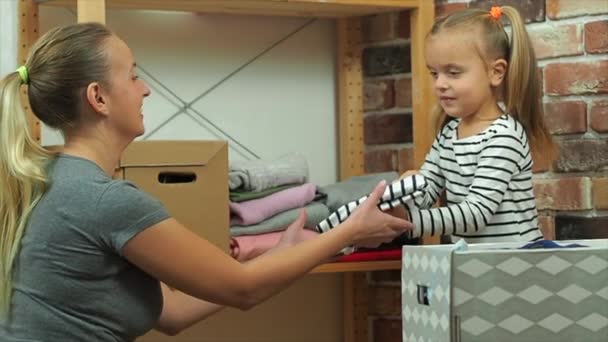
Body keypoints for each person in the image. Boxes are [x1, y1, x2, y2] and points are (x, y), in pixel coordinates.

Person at [0, 23, 412, 341]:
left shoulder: (48, 179)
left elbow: (171, 314)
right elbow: (243, 290)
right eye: (133, 76)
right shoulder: (104, 201)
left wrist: (278, 256)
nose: (144, 90)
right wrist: (348, 232)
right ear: (98, 97)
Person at [398, 6, 557, 243]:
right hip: (475, 264)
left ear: (496, 72)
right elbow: (429, 188)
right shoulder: (449, 134)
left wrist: (405, 223)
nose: (440, 84)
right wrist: (406, 195)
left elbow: (476, 214)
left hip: (517, 265)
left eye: (453, 73)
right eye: (434, 73)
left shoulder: (504, 136)